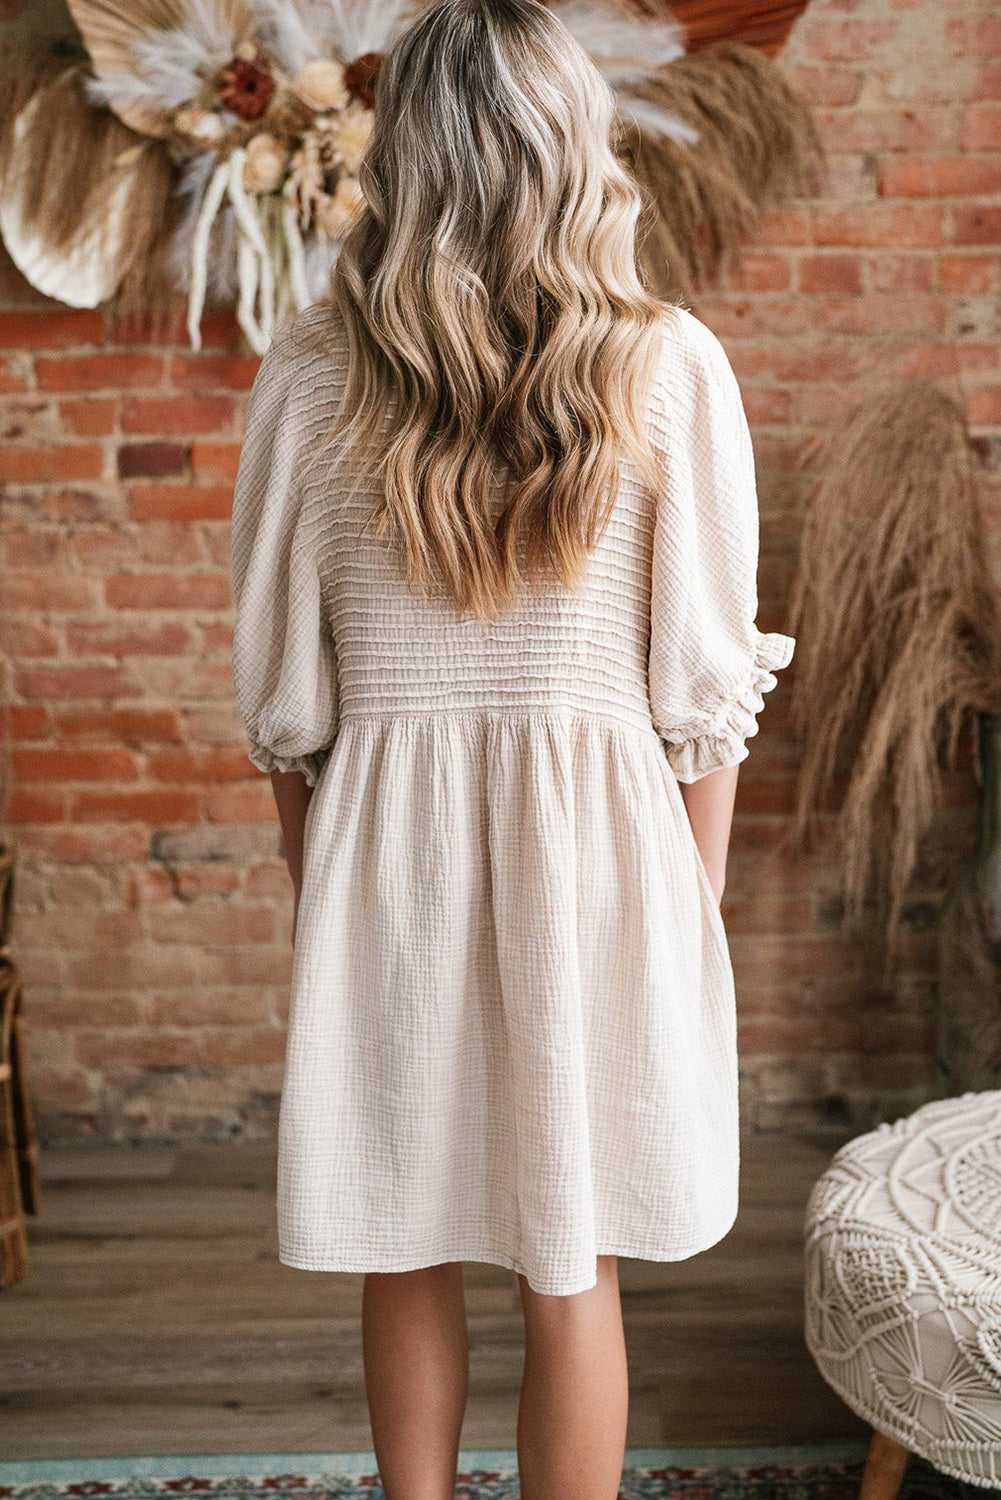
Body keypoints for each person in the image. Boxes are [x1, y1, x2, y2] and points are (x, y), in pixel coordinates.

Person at [229, 1, 795, 1497]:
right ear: (574, 143)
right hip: (607, 859)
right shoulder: (667, 365)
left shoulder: (311, 370)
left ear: (400, 149)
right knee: (570, 1254)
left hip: (381, 853)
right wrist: (689, 909)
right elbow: (703, 694)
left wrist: (324, 885)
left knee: (400, 1234)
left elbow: (285, 709)